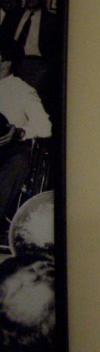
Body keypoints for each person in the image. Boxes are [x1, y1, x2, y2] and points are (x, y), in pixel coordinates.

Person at [0, 55, 52, 243]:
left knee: (18, 161)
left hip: (8, 148)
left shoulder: (21, 90)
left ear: (6, 62)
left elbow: (46, 127)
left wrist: (20, 132)